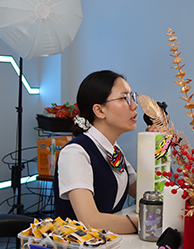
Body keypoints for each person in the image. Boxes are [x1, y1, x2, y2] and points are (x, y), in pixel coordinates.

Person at [53, 70, 139, 234]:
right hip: (77, 246)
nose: (134, 105)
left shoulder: (114, 150)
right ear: (99, 110)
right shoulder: (75, 153)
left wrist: (157, 148)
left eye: (132, 97)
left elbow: (143, 192)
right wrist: (147, 225)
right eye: (124, 98)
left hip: (107, 243)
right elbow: (91, 221)